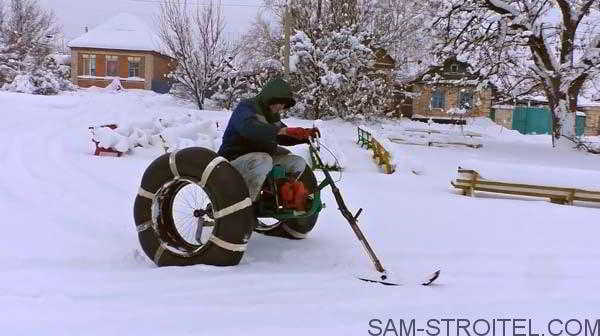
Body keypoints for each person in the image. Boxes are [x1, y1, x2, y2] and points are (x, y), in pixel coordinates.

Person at [217, 77, 319, 211]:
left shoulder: (273, 116)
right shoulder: (246, 107)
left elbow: (281, 137)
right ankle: (243, 208)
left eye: (283, 105)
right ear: (269, 97)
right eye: (278, 102)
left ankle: (276, 200)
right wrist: (282, 130)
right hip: (233, 161)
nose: (280, 107)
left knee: (297, 162)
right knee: (263, 161)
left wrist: (303, 136)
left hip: (261, 160)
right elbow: (249, 128)